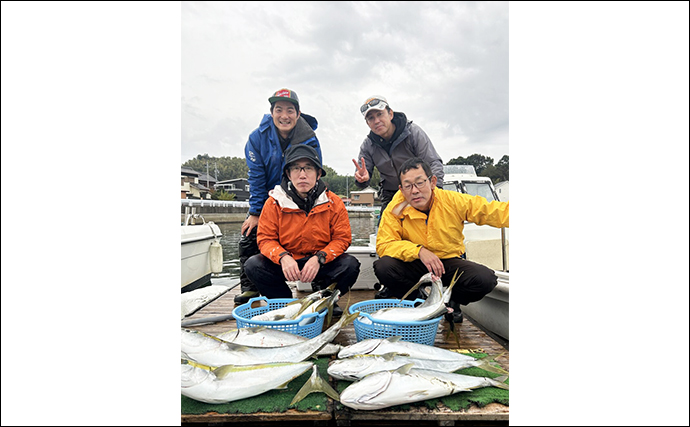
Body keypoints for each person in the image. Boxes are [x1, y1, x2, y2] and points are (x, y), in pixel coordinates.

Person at [373, 157, 509, 323]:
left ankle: (450, 302)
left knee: (486, 279)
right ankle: (420, 302)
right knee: (384, 266)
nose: (414, 190)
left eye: (420, 182)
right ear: (401, 189)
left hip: (448, 262)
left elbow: (491, 211)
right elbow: (384, 244)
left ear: (432, 182)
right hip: (414, 261)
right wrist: (418, 251)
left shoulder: (453, 200)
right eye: (408, 186)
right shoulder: (395, 208)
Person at [244, 144, 360, 315]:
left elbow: (342, 239)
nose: (302, 174)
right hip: (287, 260)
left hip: (320, 261)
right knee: (253, 265)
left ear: (318, 174)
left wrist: (320, 257)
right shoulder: (274, 202)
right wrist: (283, 257)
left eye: (308, 168)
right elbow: (265, 239)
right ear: (288, 174)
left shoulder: (334, 202)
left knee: (350, 265)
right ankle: (284, 303)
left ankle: (324, 298)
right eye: (296, 168)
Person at [236, 88, 323, 304]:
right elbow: (255, 176)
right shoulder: (257, 138)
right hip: (268, 197)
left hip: (300, 193)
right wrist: (256, 212)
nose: (284, 116)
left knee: (319, 231)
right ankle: (250, 287)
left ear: (298, 113)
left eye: (290, 110)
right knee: (249, 235)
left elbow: (314, 171)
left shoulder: (310, 138)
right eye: (279, 110)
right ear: (272, 112)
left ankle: (321, 285)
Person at [352, 95, 445, 218]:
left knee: (428, 227)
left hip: (420, 190)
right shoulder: (367, 146)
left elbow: (433, 163)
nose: (376, 121)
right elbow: (362, 177)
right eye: (371, 118)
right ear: (367, 123)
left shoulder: (413, 133)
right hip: (391, 193)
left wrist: (434, 191)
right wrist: (361, 179)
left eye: (380, 114)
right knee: (384, 232)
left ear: (390, 114)